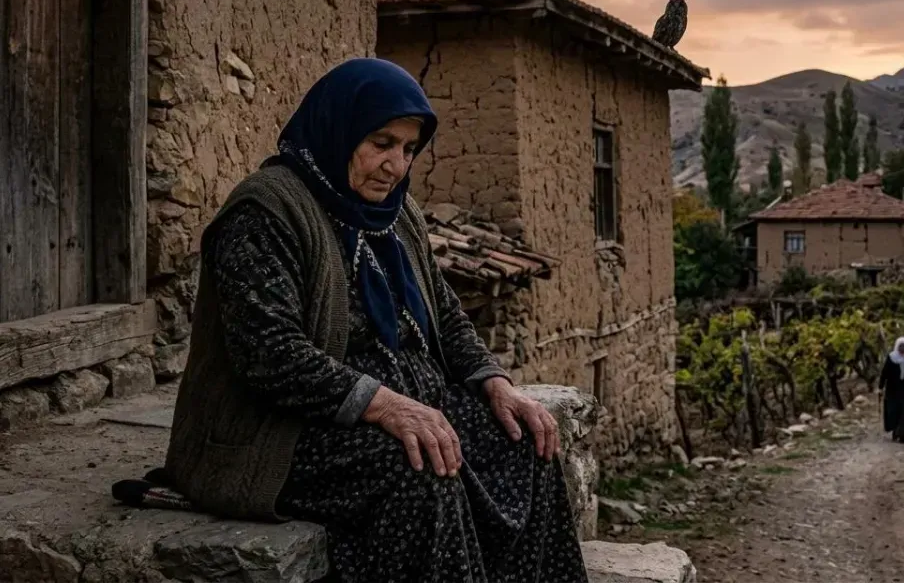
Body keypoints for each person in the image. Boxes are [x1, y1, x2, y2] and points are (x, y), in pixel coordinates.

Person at [163, 59, 589, 582]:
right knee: (421, 468)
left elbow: (444, 312)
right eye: (381, 143)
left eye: (408, 150)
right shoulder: (266, 212)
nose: (395, 165)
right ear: (339, 129)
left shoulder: (395, 214)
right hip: (283, 433)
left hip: (401, 405)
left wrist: (495, 382)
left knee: (524, 440)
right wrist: (384, 405)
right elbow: (270, 354)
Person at [878, 337, 904, 443]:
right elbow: (884, 373)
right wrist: (880, 387)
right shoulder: (891, 358)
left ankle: (902, 435)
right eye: (901, 346)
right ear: (897, 346)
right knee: (894, 411)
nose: (903, 348)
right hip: (893, 390)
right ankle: (895, 431)